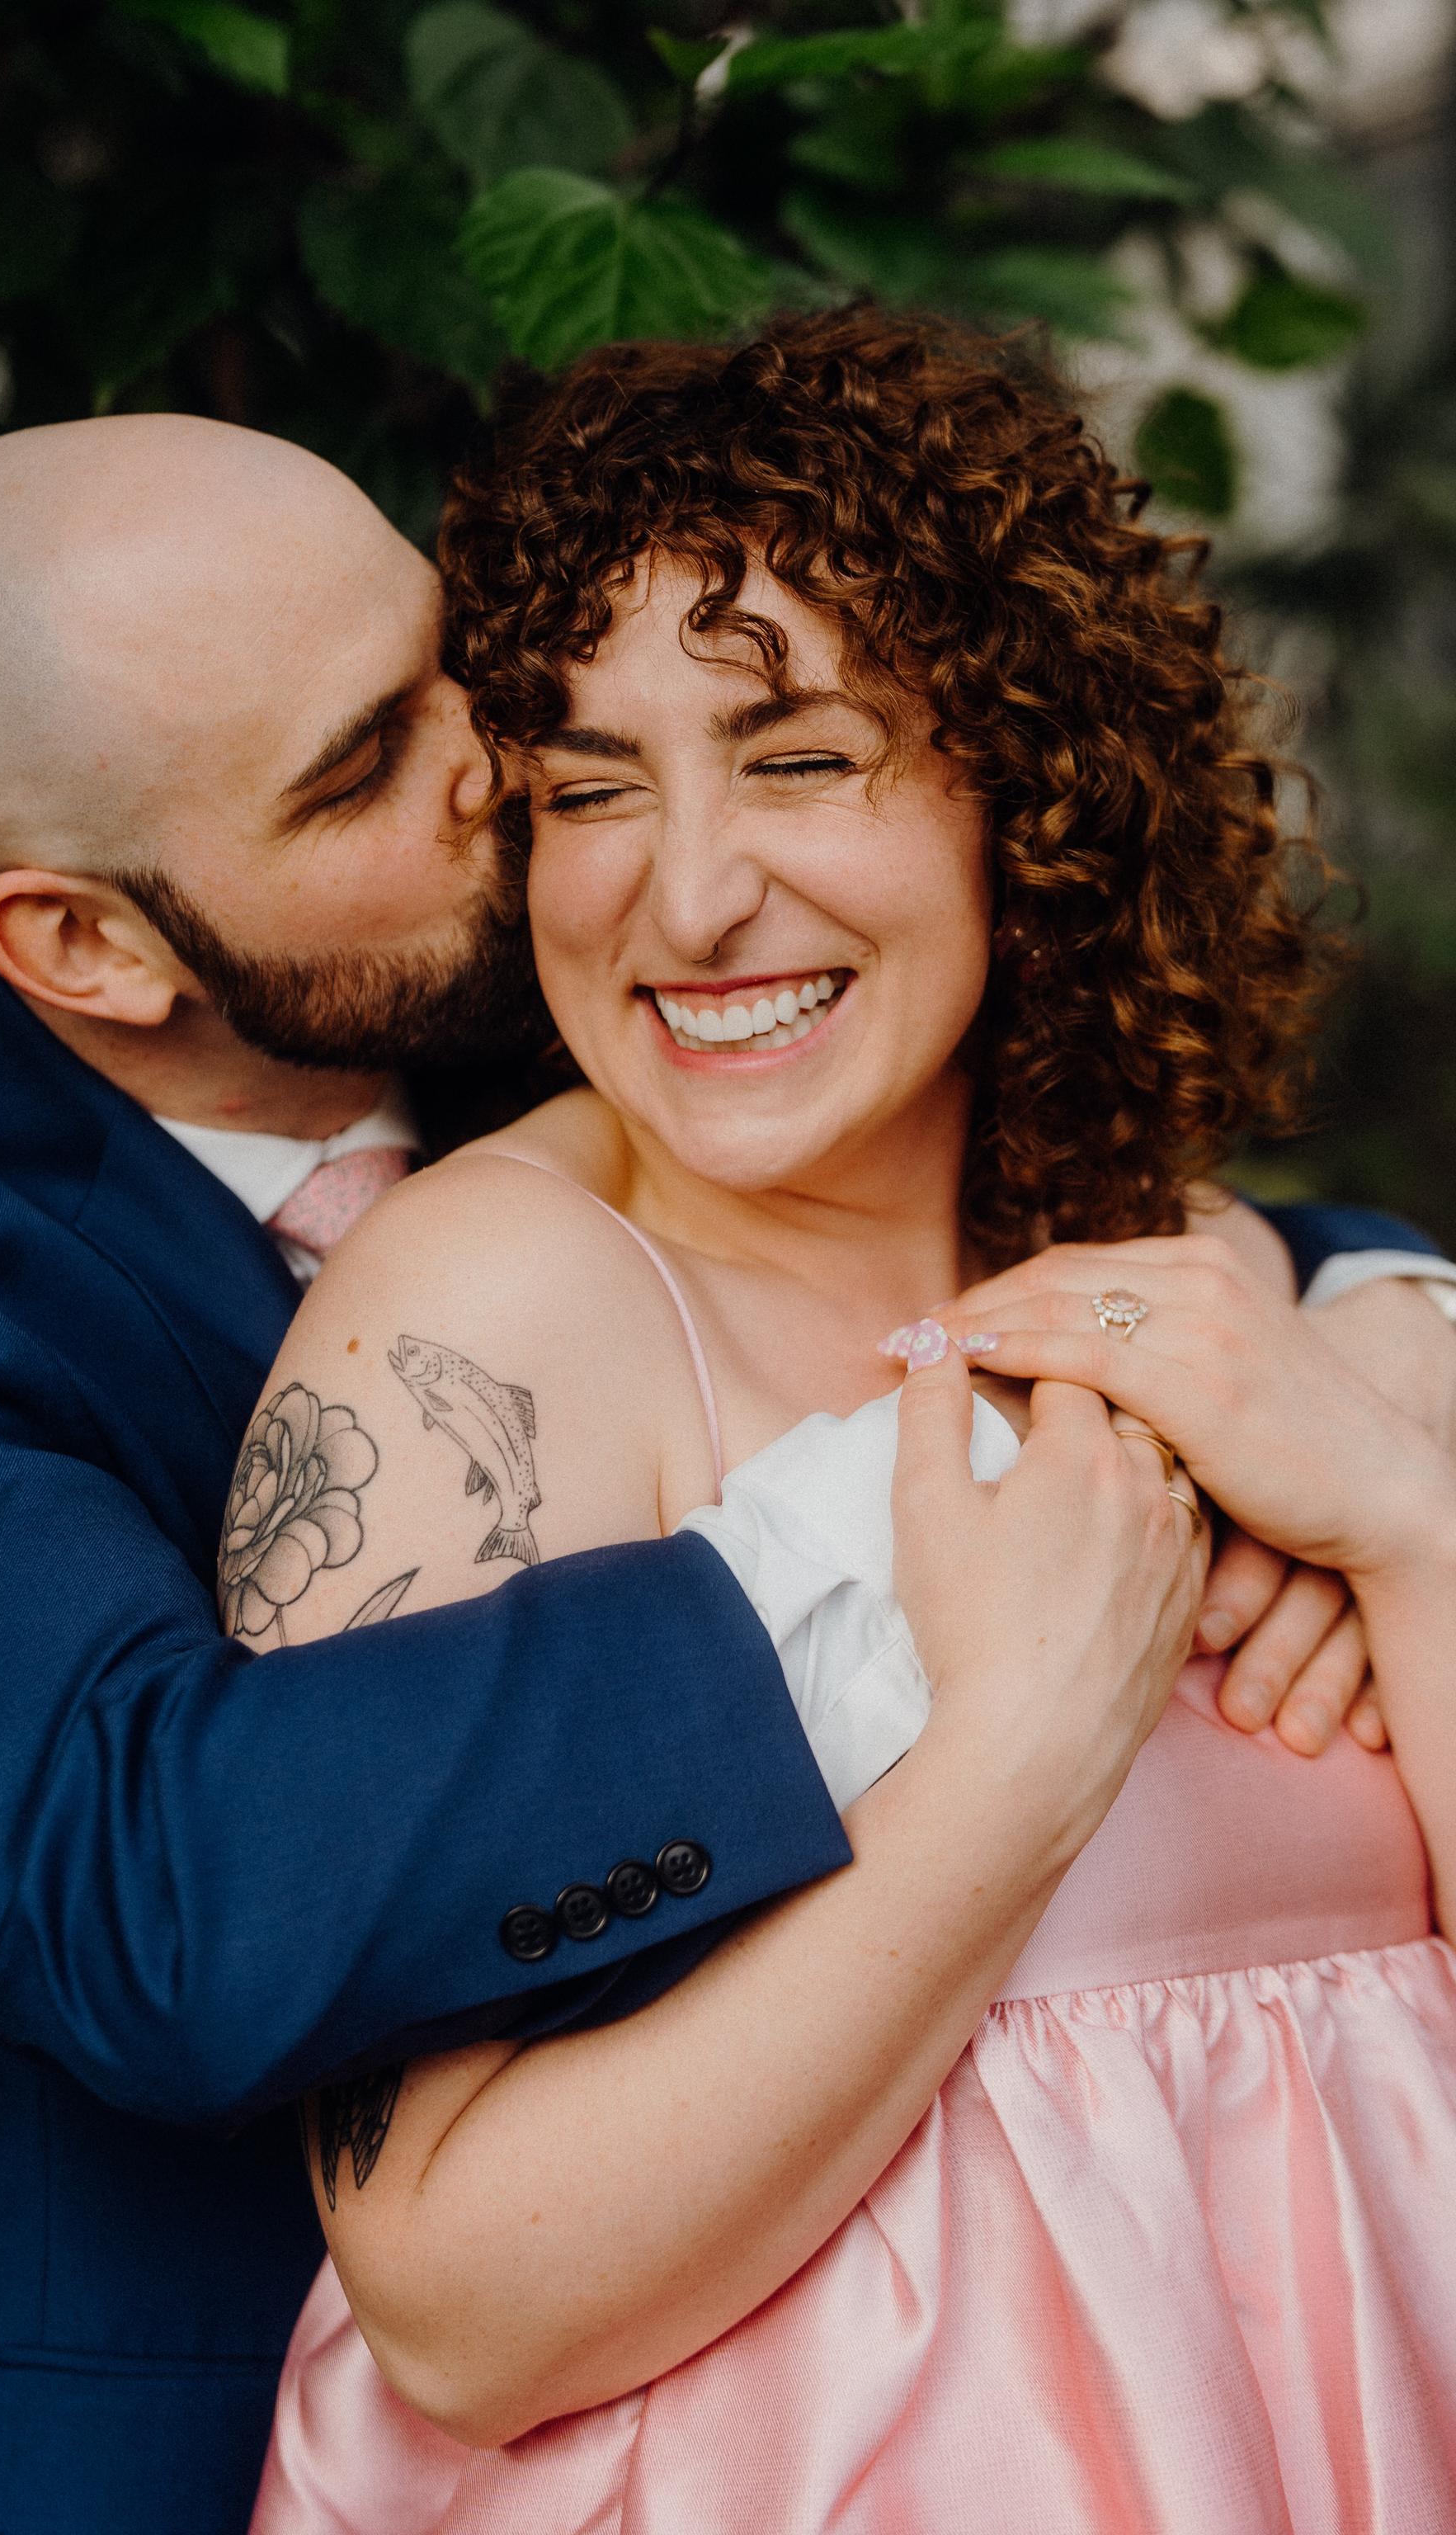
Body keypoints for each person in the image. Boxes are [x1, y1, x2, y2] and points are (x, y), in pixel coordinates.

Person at [0, 412, 1439, 2535]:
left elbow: (972, 1128)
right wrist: (961, 1507)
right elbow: (159, 1889)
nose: (495, 766)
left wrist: (1366, 1323)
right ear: (89, 946)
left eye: (463, 675)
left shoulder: (538, 958)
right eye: (366, 762)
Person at [244, 314, 1456, 2534]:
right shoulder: (498, 1325)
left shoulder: (1236, 1286)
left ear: (1032, 775)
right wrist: (1014, 1764)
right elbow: (453, 2307)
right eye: (592, 786)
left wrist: (1411, 1522)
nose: (684, 897)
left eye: (799, 759)